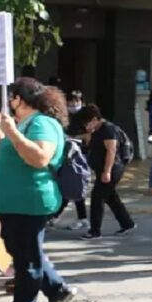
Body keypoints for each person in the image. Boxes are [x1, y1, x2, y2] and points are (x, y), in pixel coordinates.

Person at [0, 78, 77, 302]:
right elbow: (9, 150)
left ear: (20, 98)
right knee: (25, 254)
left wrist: (12, 131)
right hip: (12, 204)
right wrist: (0, 130)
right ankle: (57, 290)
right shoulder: (24, 124)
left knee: (27, 262)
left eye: (12, 97)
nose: (9, 102)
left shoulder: (42, 123)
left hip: (29, 202)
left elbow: (39, 157)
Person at [77, 104, 136, 239]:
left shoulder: (108, 130)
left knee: (97, 198)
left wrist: (107, 172)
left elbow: (112, 152)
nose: (86, 126)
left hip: (112, 168)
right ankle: (127, 223)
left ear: (95, 118)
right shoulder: (96, 130)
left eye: (87, 122)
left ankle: (94, 231)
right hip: (102, 169)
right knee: (110, 197)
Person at [51, 90, 90, 230]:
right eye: (71, 102)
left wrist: (75, 138)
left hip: (80, 156)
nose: (73, 104)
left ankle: (81, 218)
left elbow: (88, 136)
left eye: (76, 101)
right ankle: (57, 215)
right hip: (66, 154)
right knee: (67, 185)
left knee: (75, 185)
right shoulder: (64, 117)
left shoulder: (85, 117)